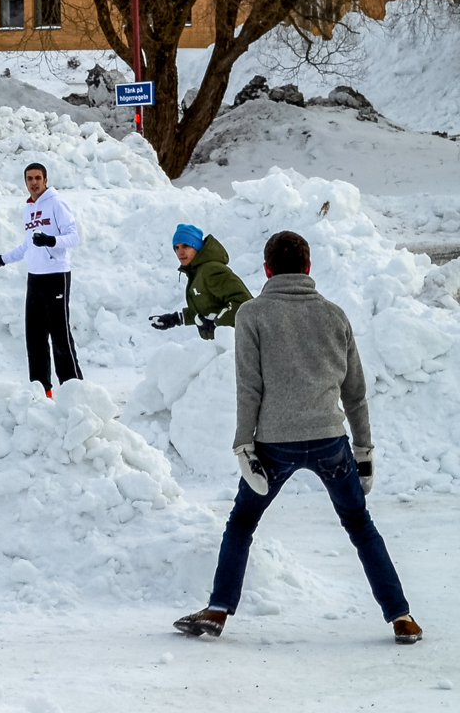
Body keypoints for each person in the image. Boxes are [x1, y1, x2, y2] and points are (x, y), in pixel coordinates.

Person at [175, 230, 421, 644]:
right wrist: (363, 451)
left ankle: (218, 611)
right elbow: (355, 391)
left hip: (273, 445)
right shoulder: (335, 314)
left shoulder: (252, 314)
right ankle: (402, 617)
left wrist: (244, 446)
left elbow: (249, 387)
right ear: (308, 269)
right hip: (330, 441)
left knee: (241, 522)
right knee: (360, 525)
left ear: (267, 269)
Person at [0, 162, 81, 395]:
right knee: (34, 337)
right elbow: (28, 245)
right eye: (29, 178)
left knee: (60, 336)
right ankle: (41, 390)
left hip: (56, 275)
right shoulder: (29, 209)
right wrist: (1, 260)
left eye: (37, 178)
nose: (33, 182)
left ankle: (74, 390)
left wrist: (50, 241)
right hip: (34, 278)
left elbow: (73, 237)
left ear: (45, 180)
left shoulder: (56, 203)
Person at [148, 224, 252, 340]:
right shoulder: (197, 273)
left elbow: (244, 302)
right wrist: (175, 319)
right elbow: (207, 309)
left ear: (196, 246)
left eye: (185, 246)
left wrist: (217, 324)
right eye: (176, 248)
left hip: (237, 342)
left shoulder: (210, 270)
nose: (180, 252)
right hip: (225, 343)